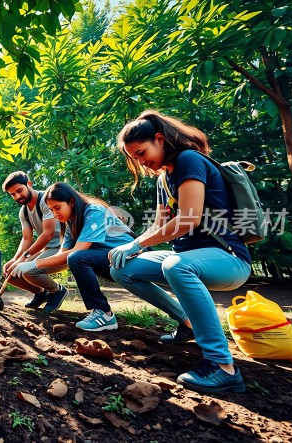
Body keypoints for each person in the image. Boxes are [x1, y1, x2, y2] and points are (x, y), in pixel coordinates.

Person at [109, 110, 251, 394]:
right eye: (135, 158)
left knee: (176, 265)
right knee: (122, 269)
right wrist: (131, 246)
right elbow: (160, 224)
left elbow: (188, 219)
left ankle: (223, 366)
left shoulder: (189, 160)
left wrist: (137, 245)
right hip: (185, 257)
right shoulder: (164, 179)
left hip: (227, 258)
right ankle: (186, 323)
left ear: (159, 139)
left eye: (142, 152)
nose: (141, 161)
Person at [11, 183, 135, 323]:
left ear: (71, 202)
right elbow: (62, 255)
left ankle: (103, 313)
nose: (55, 214)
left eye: (57, 208)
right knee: (75, 258)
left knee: (77, 257)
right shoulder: (71, 222)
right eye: (51, 210)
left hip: (130, 258)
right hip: (109, 259)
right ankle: (100, 312)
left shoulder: (94, 211)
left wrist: (34, 263)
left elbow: (77, 252)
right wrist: (30, 265)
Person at [1, 171, 68, 312]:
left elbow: (48, 234)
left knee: (29, 270)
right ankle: (40, 293)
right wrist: (15, 260)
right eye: (13, 194)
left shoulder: (46, 200)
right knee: (10, 272)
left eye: (20, 191)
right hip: (48, 250)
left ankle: (57, 291)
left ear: (29, 184)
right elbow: (26, 238)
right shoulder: (23, 212)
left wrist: (24, 258)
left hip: (64, 248)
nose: (17, 196)